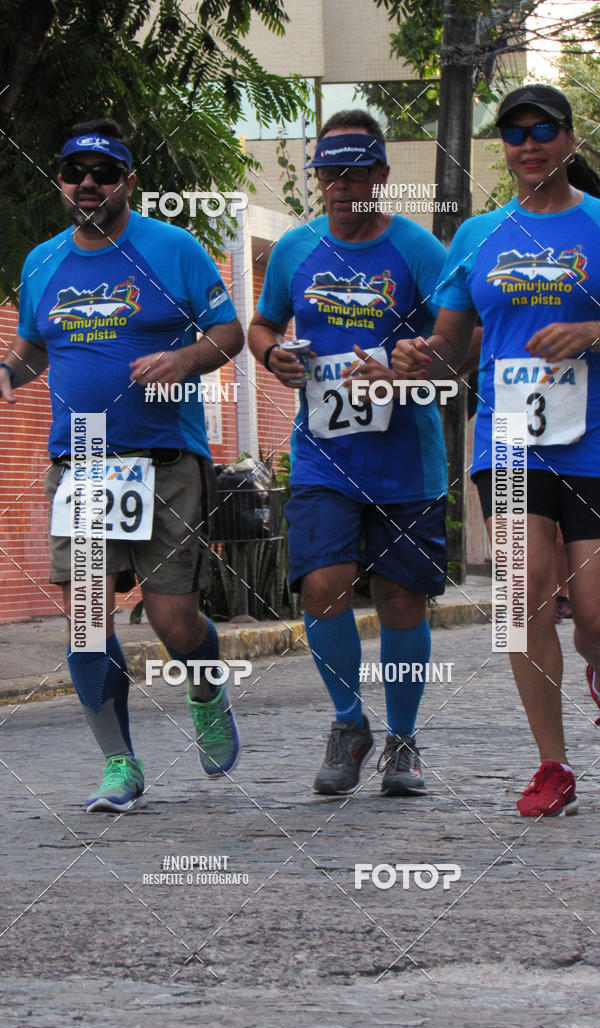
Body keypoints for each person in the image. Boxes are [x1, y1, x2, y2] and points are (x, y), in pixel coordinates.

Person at [0, 119, 244, 812]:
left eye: (103, 173)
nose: (87, 183)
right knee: (84, 620)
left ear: (127, 182)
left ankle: (205, 686)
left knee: (174, 621)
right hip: (80, 464)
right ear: (60, 180)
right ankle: (119, 763)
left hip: (165, 461)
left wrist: (183, 359)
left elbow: (227, 332)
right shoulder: (42, 261)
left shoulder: (174, 249)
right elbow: (31, 345)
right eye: (74, 170)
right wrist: (9, 372)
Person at [392, 84, 600, 817]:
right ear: (503, 150)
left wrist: (592, 333)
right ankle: (554, 764)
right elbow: (450, 349)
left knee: (597, 613)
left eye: (545, 129)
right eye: (514, 134)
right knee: (523, 598)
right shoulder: (479, 235)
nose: (530, 143)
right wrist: (417, 358)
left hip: (594, 439)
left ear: (571, 141)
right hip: (507, 438)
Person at [248, 110, 448, 797]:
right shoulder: (295, 250)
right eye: (327, 173)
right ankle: (347, 722)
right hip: (324, 456)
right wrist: (271, 354)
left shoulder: (419, 250)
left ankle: (402, 740)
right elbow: (262, 323)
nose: (338, 185)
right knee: (321, 587)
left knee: (400, 599)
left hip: (407, 461)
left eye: (353, 172)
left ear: (382, 176)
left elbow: (460, 336)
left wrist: (420, 357)